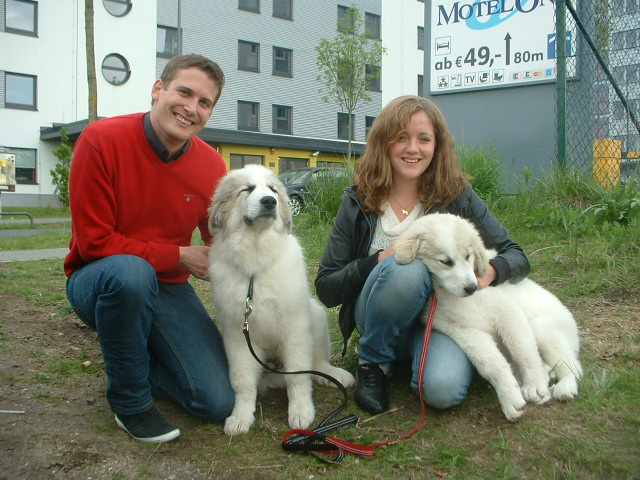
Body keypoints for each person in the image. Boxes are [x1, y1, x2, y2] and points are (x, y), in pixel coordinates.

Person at [315, 96, 530, 415]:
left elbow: (516, 255)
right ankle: (373, 363)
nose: (412, 148)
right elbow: (327, 287)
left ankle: (419, 358)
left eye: (423, 139)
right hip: (376, 314)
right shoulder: (358, 200)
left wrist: (488, 272)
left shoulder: (457, 196)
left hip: (443, 317)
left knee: (443, 389)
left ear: (437, 145)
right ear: (383, 142)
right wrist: (380, 259)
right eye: (401, 137)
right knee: (407, 267)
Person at [64, 54, 234, 443]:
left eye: (204, 102)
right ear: (159, 90)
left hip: (168, 287)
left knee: (217, 402)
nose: (191, 108)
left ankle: (137, 355)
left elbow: (218, 239)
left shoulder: (211, 166)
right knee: (131, 275)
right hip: (101, 279)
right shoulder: (101, 140)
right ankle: (130, 402)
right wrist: (178, 255)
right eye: (184, 92)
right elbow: (93, 243)